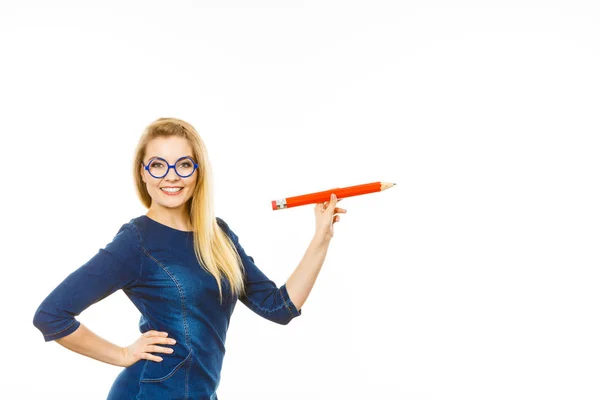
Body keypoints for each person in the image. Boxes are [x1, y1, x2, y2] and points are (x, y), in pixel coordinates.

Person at [32, 117, 346, 399]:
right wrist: (123, 354)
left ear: (198, 172)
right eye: (157, 164)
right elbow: (51, 315)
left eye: (184, 164)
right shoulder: (135, 241)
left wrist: (322, 236)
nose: (171, 176)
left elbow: (279, 307)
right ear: (143, 173)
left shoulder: (218, 236)